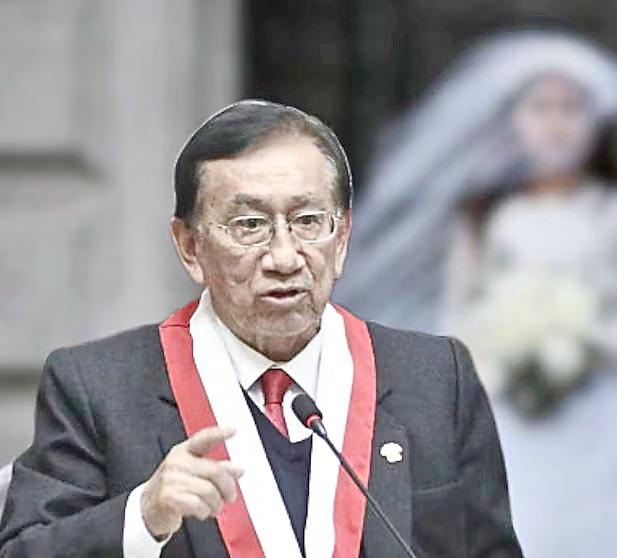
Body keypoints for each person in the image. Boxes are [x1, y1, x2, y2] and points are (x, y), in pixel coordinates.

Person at [0, 100, 522, 557]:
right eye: (250, 225)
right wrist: (143, 516)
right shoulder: (98, 388)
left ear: (342, 239)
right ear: (189, 246)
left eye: (308, 221)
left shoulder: (435, 378)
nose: (284, 257)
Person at [337, 31, 617, 557]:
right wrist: (501, 355)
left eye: (570, 109)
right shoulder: (485, 214)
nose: (556, 124)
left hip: (607, 405)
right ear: (513, 120)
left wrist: (583, 346)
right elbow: (459, 308)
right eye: (541, 108)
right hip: (510, 407)